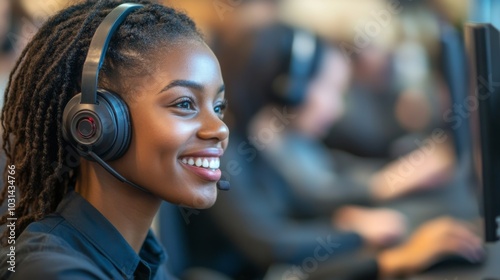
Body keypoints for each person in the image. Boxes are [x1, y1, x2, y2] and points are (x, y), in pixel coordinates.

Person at [183, 25, 484, 280]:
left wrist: (346, 221)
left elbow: (302, 202)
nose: (337, 107)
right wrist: (374, 250)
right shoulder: (224, 149)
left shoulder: (251, 140)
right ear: (291, 89)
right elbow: (270, 246)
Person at [0, 0, 229, 279]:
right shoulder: (53, 270)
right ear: (96, 124)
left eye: (218, 107)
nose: (220, 129)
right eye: (184, 104)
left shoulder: (145, 258)